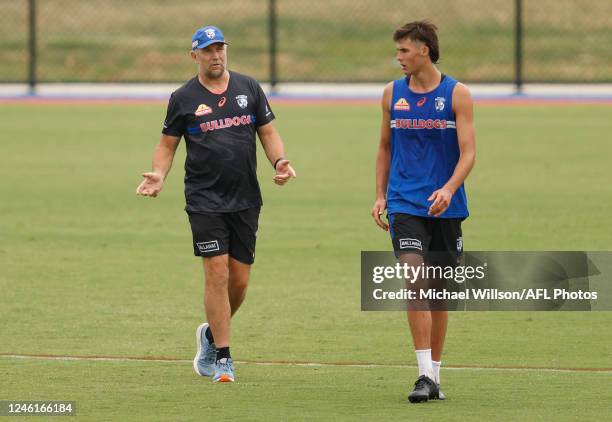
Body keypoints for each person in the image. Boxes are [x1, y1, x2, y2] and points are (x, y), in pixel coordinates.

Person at [136, 25, 296, 383]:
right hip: (204, 199)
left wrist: (280, 161)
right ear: (195, 56)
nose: (216, 55)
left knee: (239, 283)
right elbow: (167, 144)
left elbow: (267, 132)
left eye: (220, 48)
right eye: (208, 50)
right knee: (217, 273)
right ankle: (223, 356)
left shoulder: (249, 88)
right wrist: (160, 174)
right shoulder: (183, 97)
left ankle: (210, 334)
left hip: (245, 198)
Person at [371, 21, 476, 403]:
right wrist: (380, 195)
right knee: (414, 278)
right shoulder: (391, 94)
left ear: (424, 51)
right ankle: (422, 375)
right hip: (404, 204)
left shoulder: (456, 94)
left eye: (403, 51)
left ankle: (435, 374)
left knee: (438, 292)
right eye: (397, 51)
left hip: (447, 207)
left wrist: (449, 188)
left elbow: (469, 152)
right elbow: (384, 147)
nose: (398, 57)